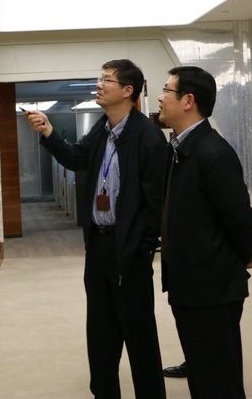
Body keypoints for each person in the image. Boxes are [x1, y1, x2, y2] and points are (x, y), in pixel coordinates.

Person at [25, 59, 167, 399]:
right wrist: (48, 131)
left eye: (107, 80)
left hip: (130, 249)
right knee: (100, 331)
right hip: (98, 246)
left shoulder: (148, 137)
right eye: (100, 79)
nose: (99, 85)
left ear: (128, 91)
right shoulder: (102, 128)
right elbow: (77, 158)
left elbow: (156, 202)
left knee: (139, 334)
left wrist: (142, 247)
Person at [156, 66, 252, 399]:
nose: (160, 97)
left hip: (210, 288)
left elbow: (241, 219)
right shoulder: (181, 148)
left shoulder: (212, 152)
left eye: (166, 90)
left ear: (188, 101)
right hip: (190, 284)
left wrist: (245, 255)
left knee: (218, 380)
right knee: (203, 374)